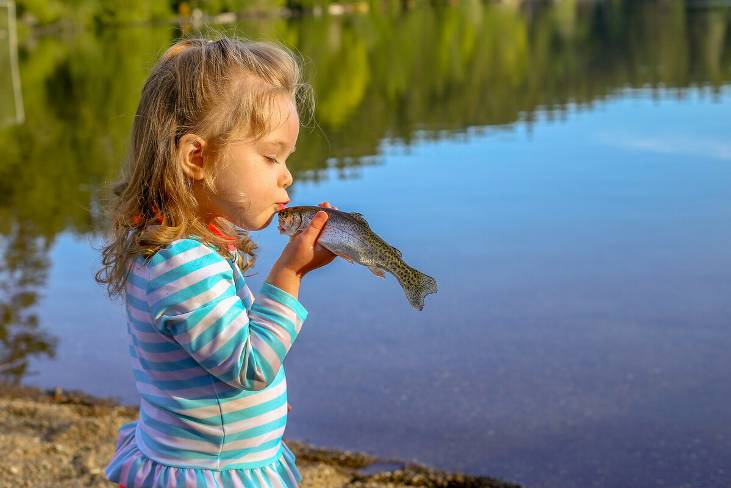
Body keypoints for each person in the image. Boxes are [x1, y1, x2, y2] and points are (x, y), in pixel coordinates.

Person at [95, 37, 338, 487]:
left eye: (286, 158)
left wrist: (256, 406)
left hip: (217, 457)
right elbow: (249, 365)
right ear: (197, 157)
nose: (287, 175)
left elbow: (216, 353)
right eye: (270, 156)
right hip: (212, 473)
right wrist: (289, 272)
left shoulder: (179, 244)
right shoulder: (181, 263)